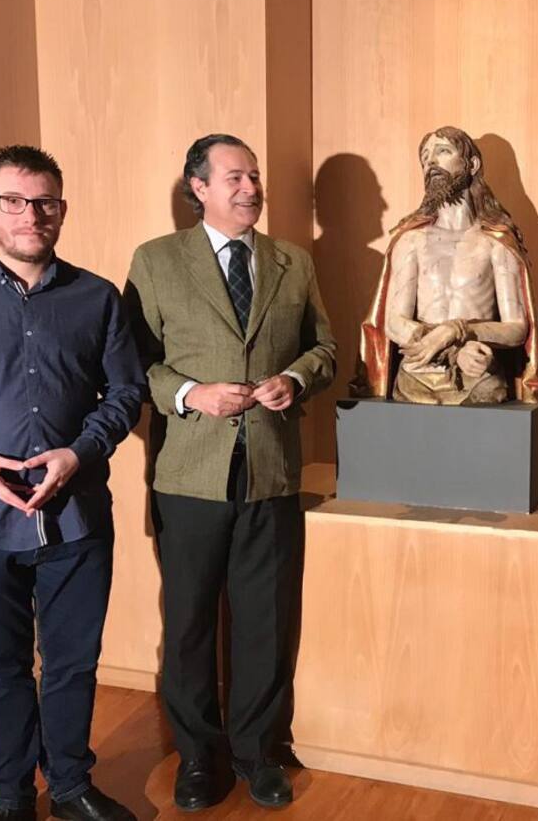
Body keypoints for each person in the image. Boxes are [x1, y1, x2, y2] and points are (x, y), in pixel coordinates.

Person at [0, 145, 144, 821]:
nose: (30, 215)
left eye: (45, 202)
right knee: (1, 667)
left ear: (61, 210)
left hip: (76, 519)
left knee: (72, 664)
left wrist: (81, 452)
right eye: (13, 200)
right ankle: (10, 793)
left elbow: (126, 393)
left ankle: (69, 786)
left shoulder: (97, 297)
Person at [125, 134, 336, 810]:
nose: (251, 189)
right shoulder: (156, 261)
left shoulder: (293, 263)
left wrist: (295, 379)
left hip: (271, 472)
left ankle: (258, 752)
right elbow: (134, 364)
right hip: (188, 476)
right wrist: (192, 395)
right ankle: (197, 758)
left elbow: (325, 348)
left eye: (255, 177)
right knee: (189, 624)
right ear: (199, 188)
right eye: (235, 177)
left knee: (264, 622)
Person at [353, 125, 538, 404]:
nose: (431, 161)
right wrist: (447, 345)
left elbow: (517, 327)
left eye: (443, 151)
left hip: (477, 375)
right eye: (425, 157)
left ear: (472, 164)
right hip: (417, 375)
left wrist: (458, 330)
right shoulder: (411, 241)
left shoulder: (495, 243)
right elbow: (393, 322)